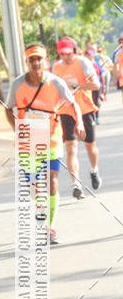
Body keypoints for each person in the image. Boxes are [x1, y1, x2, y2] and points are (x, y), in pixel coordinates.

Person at [5, 43, 84, 245]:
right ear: (27, 62)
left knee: (52, 182)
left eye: (39, 58)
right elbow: (8, 108)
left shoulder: (55, 83)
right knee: (33, 186)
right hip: (28, 140)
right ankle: (41, 210)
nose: (36, 63)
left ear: (45, 60)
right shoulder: (18, 84)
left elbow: (72, 103)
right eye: (32, 59)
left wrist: (79, 122)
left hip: (51, 139)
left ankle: (50, 227)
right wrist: (18, 129)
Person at [52, 36, 101, 193]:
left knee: (89, 145)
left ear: (74, 51)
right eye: (62, 54)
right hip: (67, 110)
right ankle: (76, 184)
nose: (66, 57)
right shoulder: (56, 68)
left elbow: (96, 84)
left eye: (68, 53)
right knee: (71, 147)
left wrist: (77, 86)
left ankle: (94, 170)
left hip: (85, 109)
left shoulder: (82, 63)